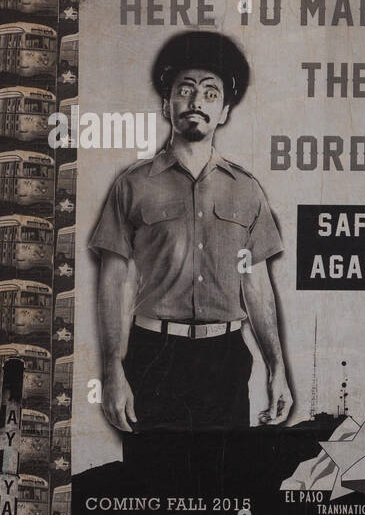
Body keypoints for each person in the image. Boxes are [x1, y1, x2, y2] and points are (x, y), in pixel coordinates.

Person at [90, 30, 291, 443]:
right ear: (167, 104)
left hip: (225, 360)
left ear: (224, 112)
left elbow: (256, 286)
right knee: (154, 491)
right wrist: (112, 371)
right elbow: (113, 280)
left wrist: (277, 368)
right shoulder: (132, 186)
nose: (197, 102)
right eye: (185, 90)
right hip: (152, 357)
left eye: (211, 93)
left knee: (222, 497)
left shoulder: (246, 189)